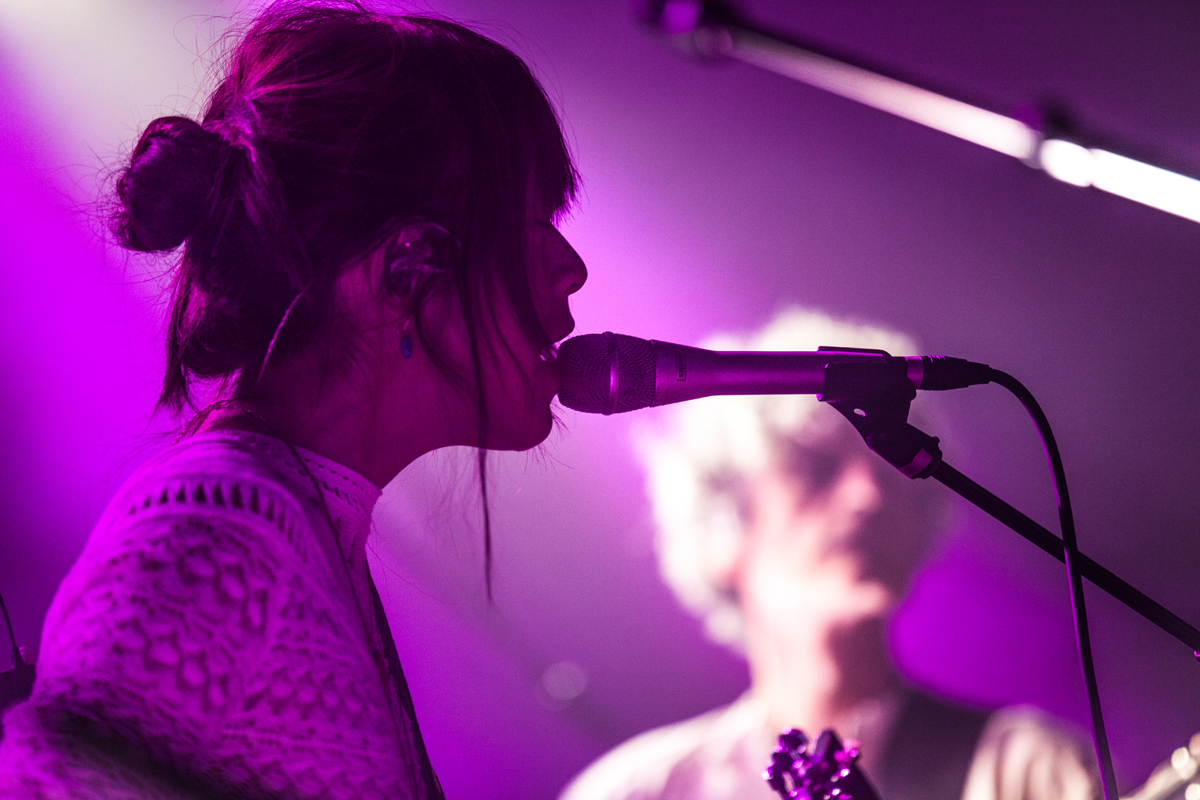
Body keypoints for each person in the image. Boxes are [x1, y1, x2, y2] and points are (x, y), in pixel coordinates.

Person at [0, 2, 587, 798]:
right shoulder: (213, 537)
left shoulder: (287, 517)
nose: (571, 267)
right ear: (405, 266)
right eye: (535, 219)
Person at [560, 308, 1098, 800]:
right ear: (723, 529)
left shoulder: (1029, 771)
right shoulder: (639, 790)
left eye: (891, 471)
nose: (869, 497)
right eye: (817, 470)